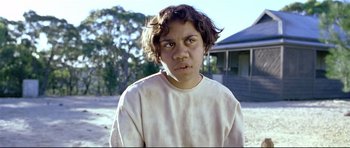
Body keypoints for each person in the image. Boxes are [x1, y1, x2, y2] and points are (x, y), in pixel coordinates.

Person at [109, 4, 244, 147]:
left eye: (190, 41)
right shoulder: (136, 98)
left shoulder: (226, 101)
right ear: (158, 53)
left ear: (204, 46)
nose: (180, 53)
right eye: (169, 44)